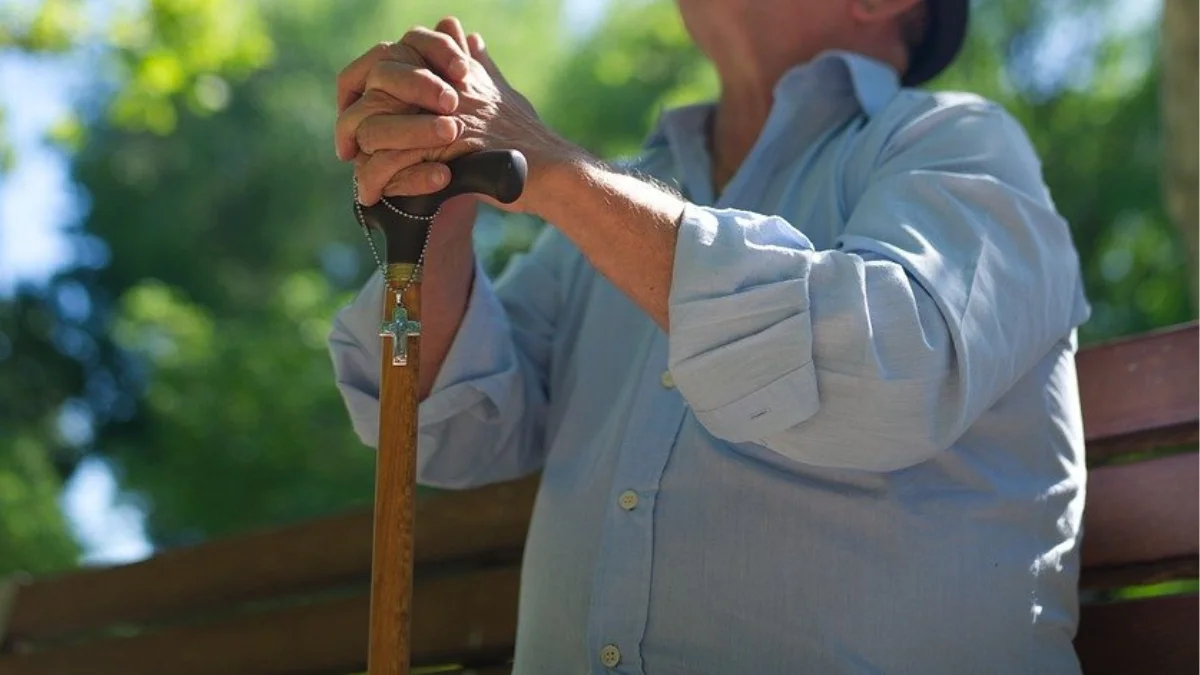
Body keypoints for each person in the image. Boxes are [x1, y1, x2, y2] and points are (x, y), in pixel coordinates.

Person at [328, 0, 1092, 672]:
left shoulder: (960, 143)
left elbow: (884, 371)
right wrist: (446, 191)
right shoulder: (625, 194)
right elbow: (453, 432)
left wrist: (555, 172)